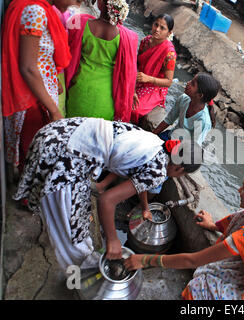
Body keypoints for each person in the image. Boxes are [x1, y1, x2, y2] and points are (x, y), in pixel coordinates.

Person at [13, 117, 204, 269]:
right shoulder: (159, 171)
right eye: (183, 174)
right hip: (66, 157)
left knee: (80, 209)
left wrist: (144, 207)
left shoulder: (155, 143)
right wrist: (113, 241)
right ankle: (81, 271)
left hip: (56, 134)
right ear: (179, 169)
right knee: (74, 235)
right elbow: (106, 201)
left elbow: (139, 180)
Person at [125, 167, 244, 300]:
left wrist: (144, 260)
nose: (238, 190)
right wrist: (213, 225)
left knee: (202, 284)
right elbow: (237, 224)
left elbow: (193, 261)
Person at [1, 0, 81, 173]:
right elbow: (28, 68)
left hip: (38, 96)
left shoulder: (41, 9)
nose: (77, 3)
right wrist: (54, 111)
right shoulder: (36, 11)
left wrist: (54, 80)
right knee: (32, 154)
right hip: (33, 100)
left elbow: (40, 55)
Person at [65, 0, 138, 122]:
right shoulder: (129, 38)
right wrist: (133, 92)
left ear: (99, 4)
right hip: (106, 99)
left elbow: (66, 52)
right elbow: (130, 73)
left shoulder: (80, 23)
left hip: (79, 92)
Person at [130, 13, 177, 126]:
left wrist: (148, 79)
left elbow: (168, 82)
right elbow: (137, 63)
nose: (157, 29)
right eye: (156, 25)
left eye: (162, 28)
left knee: (134, 109)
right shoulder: (145, 41)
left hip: (154, 87)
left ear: (169, 33)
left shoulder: (170, 54)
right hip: (139, 78)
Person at [152, 72, 221, 146]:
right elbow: (169, 120)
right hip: (170, 136)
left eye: (193, 84)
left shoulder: (203, 121)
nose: (188, 82)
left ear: (200, 95)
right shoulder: (183, 98)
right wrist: (152, 135)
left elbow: (194, 146)